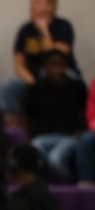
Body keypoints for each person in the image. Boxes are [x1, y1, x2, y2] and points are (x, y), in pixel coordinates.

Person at [0, 0, 82, 125]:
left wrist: (44, 30)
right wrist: (32, 81)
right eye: (31, 2)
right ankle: (14, 129)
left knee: (70, 81)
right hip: (32, 76)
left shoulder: (63, 26)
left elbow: (55, 57)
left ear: (50, 6)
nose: (31, 6)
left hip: (62, 74)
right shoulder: (25, 29)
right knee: (9, 85)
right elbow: (18, 64)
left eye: (37, 2)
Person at [23, 50, 87, 183]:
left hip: (69, 136)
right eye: (52, 65)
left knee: (55, 159)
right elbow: (28, 116)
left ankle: (66, 187)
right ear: (45, 68)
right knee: (36, 149)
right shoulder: (35, 89)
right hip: (42, 136)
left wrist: (81, 131)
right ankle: (42, 187)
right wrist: (28, 136)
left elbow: (84, 112)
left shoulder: (77, 87)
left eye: (59, 65)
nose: (55, 69)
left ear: (65, 67)